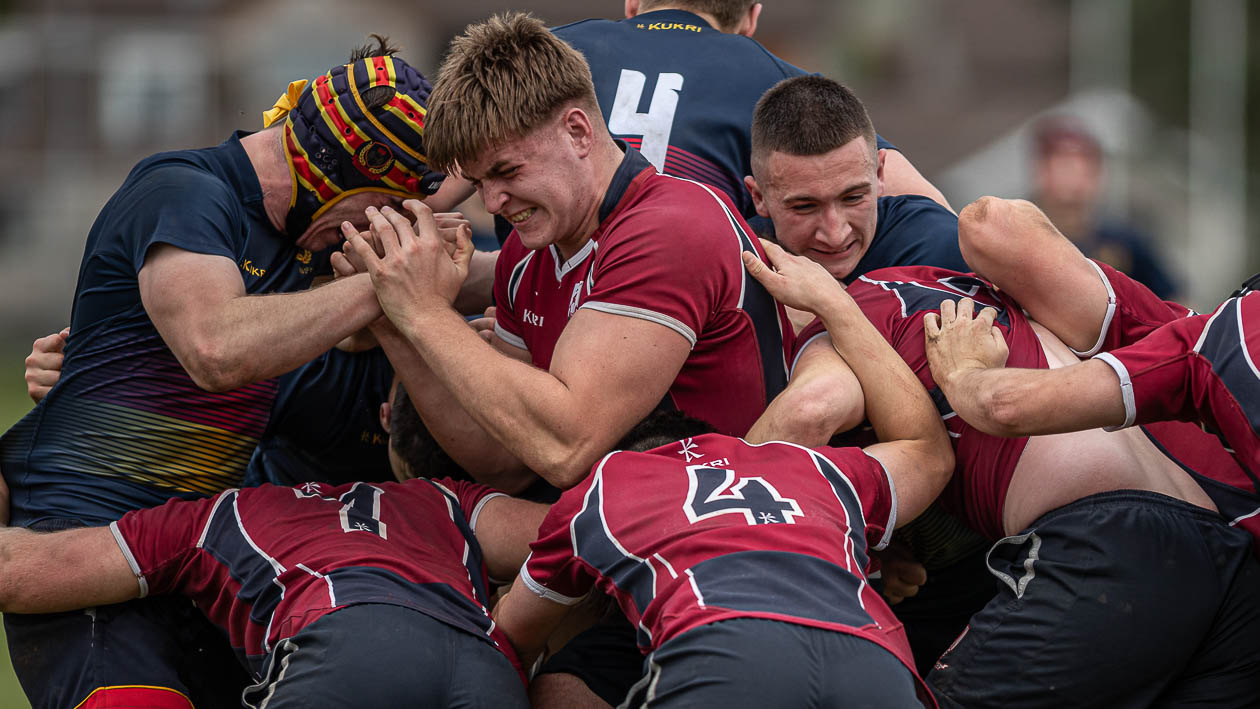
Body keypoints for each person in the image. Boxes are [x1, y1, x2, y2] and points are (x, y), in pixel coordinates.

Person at [0, 37, 464, 709]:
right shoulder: (185, 191)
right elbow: (215, 348)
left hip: (199, 565)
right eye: (376, 215)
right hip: (79, 554)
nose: (367, 239)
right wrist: (393, 283)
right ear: (340, 173)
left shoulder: (302, 238)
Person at [775, 246, 1260, 705]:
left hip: (1110, 542)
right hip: (1227, 556)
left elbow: (811, 413)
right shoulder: (954, 272)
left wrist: (960, 372)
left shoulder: (832, 322)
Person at [342, 12, 793, 495]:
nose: (491, 203)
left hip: (736, 518)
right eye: (478, 182)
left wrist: (425, 313)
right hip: (631, 514)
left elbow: (564, 447)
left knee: (464, 517)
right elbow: (506, 461)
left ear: (578, 132)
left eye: (507, 172)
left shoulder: (672, 227)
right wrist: (394, 320)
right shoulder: (525, 253)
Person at [494, 241, 953, 708]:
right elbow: (929, 454)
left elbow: (513, 635)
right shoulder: (815, 466)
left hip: (722, 652)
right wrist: (839, 308)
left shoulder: (605, 484)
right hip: (872, 657)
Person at [0, 396, 547, 708]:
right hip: (486, 666)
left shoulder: (216, 514)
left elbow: (19, 573)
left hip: (346, 650)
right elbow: (573, 535)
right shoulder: (447, 500)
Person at [922, 196, 1260, 519]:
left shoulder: (1225, 342)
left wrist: (962, 374)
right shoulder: (1221, 335)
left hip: (1201, 507)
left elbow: (1002, 406)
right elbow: (987, 225)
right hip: (1189, 353)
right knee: (990, 226)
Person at [547, 0, 950, 225]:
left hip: (537, 299)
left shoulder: (540, 52)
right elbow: (932, 211)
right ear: (752, 18)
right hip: (683, 319)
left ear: (633, 3)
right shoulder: (779, 83)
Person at [1029, 114, 1180, 300]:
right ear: (1041, 171)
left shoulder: (1125, 241)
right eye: (1060, 162)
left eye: (1081, 162)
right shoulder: (1019, 239)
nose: (1070, 174)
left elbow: (1175, 300)